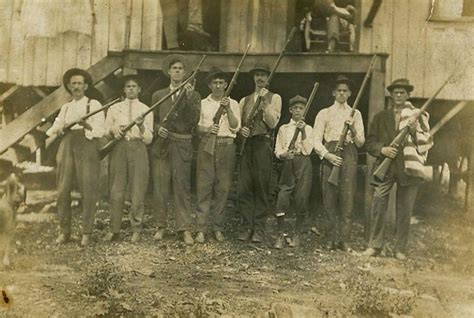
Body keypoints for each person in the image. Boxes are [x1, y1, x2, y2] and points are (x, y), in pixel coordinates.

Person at [362, 78, 432, 260]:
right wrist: (383, 149)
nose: (399, 95)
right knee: (378, 203)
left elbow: (426, 143)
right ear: (391, 95)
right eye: (395, 92)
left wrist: (415, 130)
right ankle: (374, 245)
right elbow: (369, 143)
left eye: (402, 92)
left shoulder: (417, 117)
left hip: (408, 167)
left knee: (405, 209)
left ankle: (400, 249)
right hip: (385, 168)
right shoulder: (380, 117)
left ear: (408, 95)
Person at [46, 68, 105, 246]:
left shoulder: (93, 105)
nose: (77, 86)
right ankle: (65, 232)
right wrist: (59, 129)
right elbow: (53, 130)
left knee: (88, 188)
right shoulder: (65, 107)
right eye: (73, 84)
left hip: (86, 145)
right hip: (67, 144)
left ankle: (86, 232)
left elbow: (100, 130)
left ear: (86, 86)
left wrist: (85, 124)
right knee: (63, 188)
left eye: (80, 83)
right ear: (69, 87)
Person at [151, 54, 201, 245]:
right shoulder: (158, 95)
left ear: (185, 73)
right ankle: (160, 226)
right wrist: (158, 130)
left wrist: (187, 98)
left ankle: (184, 228)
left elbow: (193, 121)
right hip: (163, 144)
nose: (178, 71)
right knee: (160, 187)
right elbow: (152, 121)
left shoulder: (193, 95)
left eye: (181, 68)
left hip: (182, 143)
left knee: (182, 187)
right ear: (169, 72)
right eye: (174, 68)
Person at [313, 75, 365, 251]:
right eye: (339, 91)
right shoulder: (324, 113)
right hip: (330, 153)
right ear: (333, 93)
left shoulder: (355, 114)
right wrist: (327, 155)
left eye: (345, 91)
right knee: (329, 198)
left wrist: (353, 128)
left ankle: (345, 240)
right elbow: (315, 140)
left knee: (347, 197)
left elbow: (360, 142)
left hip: (349, 154)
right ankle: (330, 239)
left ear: (350, 93)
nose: (342, 93)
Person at [103, 75, 153, 243]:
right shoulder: (114, 109)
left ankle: (136, 229)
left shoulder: (147, 109)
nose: (131, 89)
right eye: (128, 86)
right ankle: (114, 229)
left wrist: (140, 125)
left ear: (139, 89)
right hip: (119, 148)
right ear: (124, 90)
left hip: (138, 148)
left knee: (138, 189)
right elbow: (105, 130)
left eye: (134, 86)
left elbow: (148, 139)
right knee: (116, 189)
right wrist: (115, 129)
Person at [195, 67, 241, 243]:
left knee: (223, 188)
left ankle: (218, 228)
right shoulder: (202, 103)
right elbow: (197, 127)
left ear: (226, 85)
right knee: (204, 186)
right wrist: (207, 129)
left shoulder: (234, 104)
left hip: (226, 145)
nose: (218, 85)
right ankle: (201, 229)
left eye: (221, 82)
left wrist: (228, 108)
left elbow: (236, 127)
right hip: (207, 145)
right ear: (209, 85)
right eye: (214, 82)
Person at [238, 64, 282, 243]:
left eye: (263, 75)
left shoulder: (274, 98)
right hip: (247, 145)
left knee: (262, 187)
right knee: (244, 187)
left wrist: (264, 103)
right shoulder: (244, 100)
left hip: (263, 144)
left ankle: (259, 229)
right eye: (257, 75)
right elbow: (239, 125)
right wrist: (242, 131)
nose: (260, 78)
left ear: (268, 78)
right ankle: (247, 226)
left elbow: (272, 124)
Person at [274, 95, 313, 249]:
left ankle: (297, 234)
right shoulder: (284, 129)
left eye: (301, 108)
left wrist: (303, 132)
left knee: (301, 199)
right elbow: (277, 149)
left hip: (303, 164)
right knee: (282, 198)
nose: (298, 111)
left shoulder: (309, 128)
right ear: (290, 110)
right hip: (288, 164)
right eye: (295, 108)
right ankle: (280, 235)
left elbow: (309, 150)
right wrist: (283, 155)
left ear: (304, 111)